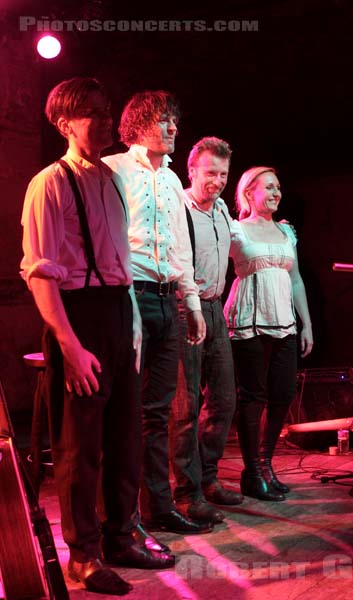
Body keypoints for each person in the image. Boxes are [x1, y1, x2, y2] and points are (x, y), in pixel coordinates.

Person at [20, 77, 174, 596]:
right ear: (64, 123)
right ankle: (81, 556)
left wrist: (129, 328)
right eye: (92, 113)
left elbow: (120, 268)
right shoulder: (49, 182)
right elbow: (41, 275)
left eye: (107, 111)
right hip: (76, 315)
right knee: (80, 448)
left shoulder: (109, 180)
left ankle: (119, 535)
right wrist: (70, 345)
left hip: (113, 312)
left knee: (124, 439)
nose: (106, 120)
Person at [103, 91, 210, 534]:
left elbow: (179, 244)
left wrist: (191, 301)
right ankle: (121, 515)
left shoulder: (169, 180)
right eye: (164, 120)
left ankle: (158, 507)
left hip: (168, 299)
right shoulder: (112, 169)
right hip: (131, 296)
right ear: (139, 123)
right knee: (124, 409)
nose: (173, 129)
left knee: (157, 411)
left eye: (174, 121)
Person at [224, 166, 313, 501]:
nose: (277, 193)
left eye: (279, 188)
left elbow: (296, 280)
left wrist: (307, 324)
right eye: (270, 187)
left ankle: (265, 464)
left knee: (283, 394)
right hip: (249, 320)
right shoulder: (235, 230)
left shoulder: (286, 232)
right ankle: (252, 472)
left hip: (284, 322)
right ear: (250, 192)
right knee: (253, 396)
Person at [170, 137, 243, 526]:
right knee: (183, 409)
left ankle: (208, 479)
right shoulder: (178, 207)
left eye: (223, 175)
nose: (217, 181)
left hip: (215, 310)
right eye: (210, 173)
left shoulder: (223, 212)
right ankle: (185, 493)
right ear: (192, 170)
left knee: (224, 400)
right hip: (185, 310)